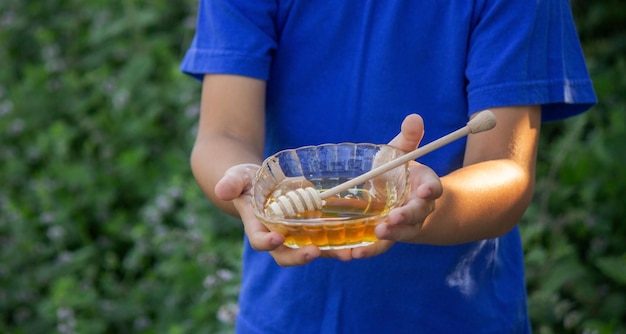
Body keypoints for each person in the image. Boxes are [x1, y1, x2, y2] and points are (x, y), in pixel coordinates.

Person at [181, 1, 596, 333]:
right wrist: (252, 187)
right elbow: (222, 135)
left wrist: (425, 206)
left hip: (455, 319)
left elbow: (505, 172)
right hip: (284, 317)